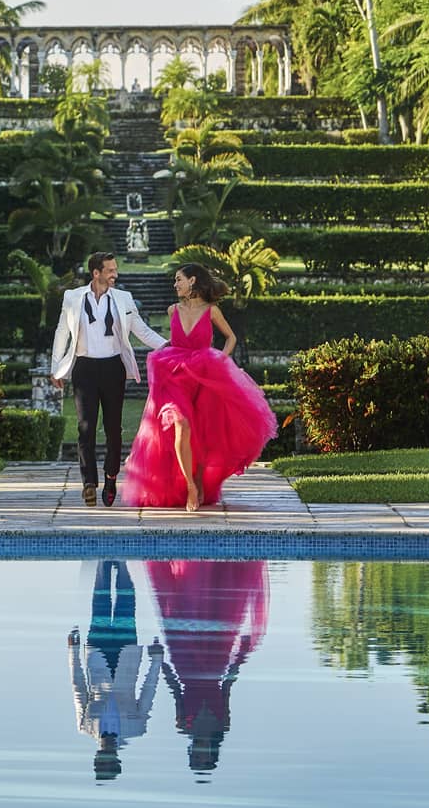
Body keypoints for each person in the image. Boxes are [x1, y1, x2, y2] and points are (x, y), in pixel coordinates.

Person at [119, 264, 277, 511]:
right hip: (173, 374)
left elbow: (231, 337)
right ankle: (191, 485)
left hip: (205, 375)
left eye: (178, 279)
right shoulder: (173, 310)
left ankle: (201, 481)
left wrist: (222, 360)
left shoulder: (212, 311)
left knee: (202, 430)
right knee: (181, 423)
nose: (175, 284)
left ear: (192, 281)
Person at [51, 252, 169, 506]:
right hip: (84, 367)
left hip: (113, 367)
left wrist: (171, 347)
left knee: (113, 429)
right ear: (96, 273)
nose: (115, 274)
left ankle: (111, 476)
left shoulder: (124, 299)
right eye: (110, 270)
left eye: (115, 269)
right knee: (85, 427)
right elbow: (62, 332)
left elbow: (142, 331)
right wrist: (56, 367)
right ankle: (89, 483)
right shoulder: (72, 298)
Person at [145, 559, 269, 773]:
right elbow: (227, 687)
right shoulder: (222, 725)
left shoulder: (183, 725)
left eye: (198, 757)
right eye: (204, 758)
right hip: (215, 665)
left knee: (181, 610)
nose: (201, 753)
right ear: (212, 753)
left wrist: (160, 661)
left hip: (185, 665)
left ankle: (199, 562)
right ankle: (212, 562)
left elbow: (175, 689)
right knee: (215, 608)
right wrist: (240, 655)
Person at [67, 560, 164, 780]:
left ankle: (103, 559)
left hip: (97, 654)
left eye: (102, 759)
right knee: (125, 606)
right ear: (116, 758)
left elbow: (78, 688)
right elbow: (148, 693)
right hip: (126, 654)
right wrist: (156, 661)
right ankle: (121, 562)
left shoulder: (85, 726)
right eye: (109, 760)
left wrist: (72, 652)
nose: (106, 754)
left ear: (97, 756)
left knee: (100, 603)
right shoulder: (136, 728)